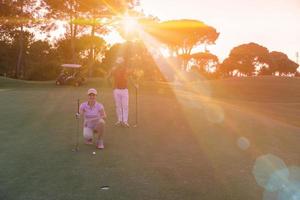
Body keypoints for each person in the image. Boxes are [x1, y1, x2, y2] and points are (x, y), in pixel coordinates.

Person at [107, 57, 137, 127]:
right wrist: (111, 86)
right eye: (119, 63)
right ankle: (120, 120)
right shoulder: (114, 70)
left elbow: (130, 78)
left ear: (123, 63)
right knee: (118, 106)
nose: (120, 64)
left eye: (121, 63)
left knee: (125, 106)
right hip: (116, 90)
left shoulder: (125, 70)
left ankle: (125, 121)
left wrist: (134, 85)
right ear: (117, 63)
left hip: (124, 90)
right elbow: (108, 78)